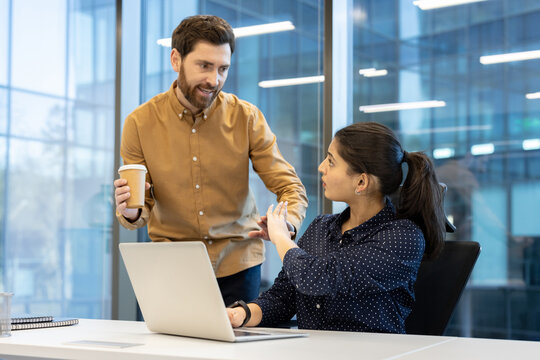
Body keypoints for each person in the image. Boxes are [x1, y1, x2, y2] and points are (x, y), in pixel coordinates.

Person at [114, 15, 308, 306]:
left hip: (239, 266)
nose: (214, 80)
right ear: (176, 59)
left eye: (223, 69)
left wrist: (286, 225)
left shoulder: (247, 117)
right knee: (173, 352)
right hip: (173, 267)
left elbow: (290, 187)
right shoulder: (139, 123)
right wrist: (129, 211)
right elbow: (139, 208)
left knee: (234, 352)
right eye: (204, 66)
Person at [227, 122, 446, 333]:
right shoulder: (322, 227)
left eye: (331, 162)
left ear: (361, 182)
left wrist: (282, 239)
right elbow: (283, 298)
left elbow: (316, 278)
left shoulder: (403, 237)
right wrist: (240, 315)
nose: (321, 167)